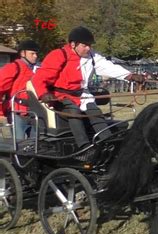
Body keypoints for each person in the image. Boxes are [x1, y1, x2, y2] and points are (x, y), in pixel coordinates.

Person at [31, 26, 144, 159]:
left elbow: (108, 67)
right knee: (73, 111)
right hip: (61, 96)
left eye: (89, 45)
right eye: (85, 45)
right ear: (73, 44)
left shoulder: (92, 56)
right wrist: (44, 94)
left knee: (95, 112)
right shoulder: (58, 55)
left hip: (82, 94)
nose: (88, 48)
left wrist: (129, 76)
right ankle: (83, 148)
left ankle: (107, 143)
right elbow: (40, 78)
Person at [0, 40, 40, 140]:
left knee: (36, 144)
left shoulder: (38, 69)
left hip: (35, 112)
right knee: (18, 144)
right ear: (22, 53)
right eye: (32, 53)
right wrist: (0, 111)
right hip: (17, 112)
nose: (35, 56)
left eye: (36, 53)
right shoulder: (14, 67)